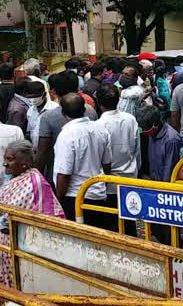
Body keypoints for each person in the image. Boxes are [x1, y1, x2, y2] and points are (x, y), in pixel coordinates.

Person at [0, 140, 65, 286]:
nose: (5, 163)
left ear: (24, 163)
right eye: (5, 158)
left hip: (23, 247)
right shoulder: (13, 178)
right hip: (5, 246)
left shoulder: (37, 183)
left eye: (9, 159)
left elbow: (47, 216)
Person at [53, 94, 112, 226]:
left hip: (75, 198)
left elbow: (64, 173)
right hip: (98, 193)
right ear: (84, 109)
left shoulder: (66, 136)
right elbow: (107, 164)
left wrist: (59, 198)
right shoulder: (101, 129)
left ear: (63, 113)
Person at [95, 84, 140, 232]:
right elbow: (137, 150)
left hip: (109, 182)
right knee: (129, 223)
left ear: (99, 103)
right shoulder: (130, 119)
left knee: (112, 224)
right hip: (129, 177)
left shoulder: (99, 125)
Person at [136, 104, 183, 183]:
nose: (143, 132)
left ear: (155, 124)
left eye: (145, 129)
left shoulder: (171, 140)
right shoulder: (151, 134)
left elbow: (169, 172)